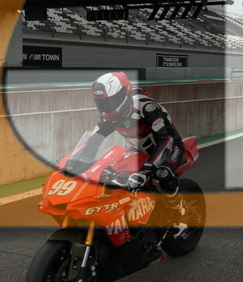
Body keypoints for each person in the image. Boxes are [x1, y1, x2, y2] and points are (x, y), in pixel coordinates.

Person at [67, 71, 187, 237]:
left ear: (125, 93)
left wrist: (147, 169)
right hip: (138, 151)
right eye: (102, 103)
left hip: (170, 146)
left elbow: (165, 139)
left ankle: (179, 215)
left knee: (161, 175)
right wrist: (74, 163)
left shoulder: (146, 106)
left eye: (111, 102)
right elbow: (94, 140)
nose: (106, 108)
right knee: (112, 174)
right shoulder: (108, 117)